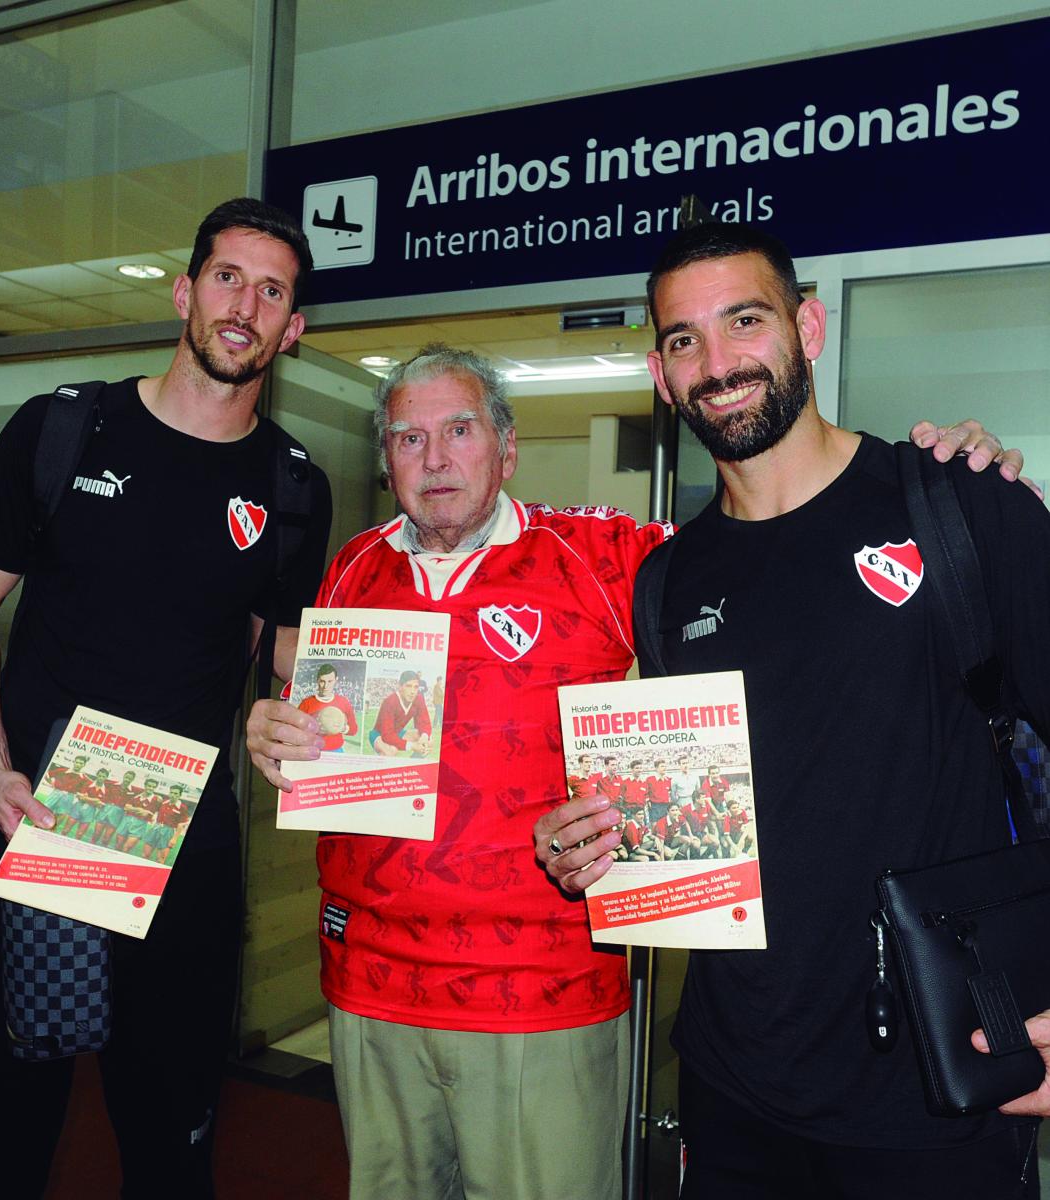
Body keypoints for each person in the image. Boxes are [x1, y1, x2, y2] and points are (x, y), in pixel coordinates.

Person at [245, 340, 1014, 1200]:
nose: (434, 458)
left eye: (459, 430)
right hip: (368, 987)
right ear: (384, 459)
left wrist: (941, 493)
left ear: (507, 448)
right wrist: (276, 731)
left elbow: (769, 554)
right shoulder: (352, 570)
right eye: (407, 438)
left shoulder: (607, 555)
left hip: (542, 998)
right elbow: (319, 718)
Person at [535, 222, 1050, 1199]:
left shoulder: (954, 502)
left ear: (805, 327)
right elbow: (697, 815)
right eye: (684, 339)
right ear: (658, 370)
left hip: (932, 1093)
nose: (716, 362)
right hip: (732, 1088)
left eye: (743, 321)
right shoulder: (667, 577)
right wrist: (592, 848)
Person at [0, 195, 330, 1199]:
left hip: (182, 861)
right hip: (31, 829)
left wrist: (324, 709)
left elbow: (283, 656)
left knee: (167, 1154)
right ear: (185, 289)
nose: (245, 304)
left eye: (271, 290)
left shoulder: (292, 486)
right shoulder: (62, 429)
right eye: (228, 276)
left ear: (294, 328)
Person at [368, 668, 431, 756]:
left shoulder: (419, 698)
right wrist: (411, 746)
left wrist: (424, 737)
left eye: (416, 687)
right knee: (391, 751)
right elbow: (387, 735)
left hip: (397, 732)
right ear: (400, 687)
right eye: (408, 686)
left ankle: (414, 765)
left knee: (428, 741)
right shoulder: (389, 702)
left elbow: (425, 723)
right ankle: (378, 760)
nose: (412, 691)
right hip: (379, 733)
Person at [300, 661, 358, 752]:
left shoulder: (343, 701)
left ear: (336, 680)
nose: (326, 686)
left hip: (336, 751)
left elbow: (354, 729)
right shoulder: (306, 703)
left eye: (330, 681)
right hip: (313, 750)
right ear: (317, 680)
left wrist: (343, 728)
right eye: (322, 681)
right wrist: (313, 727)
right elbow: (297, 729)